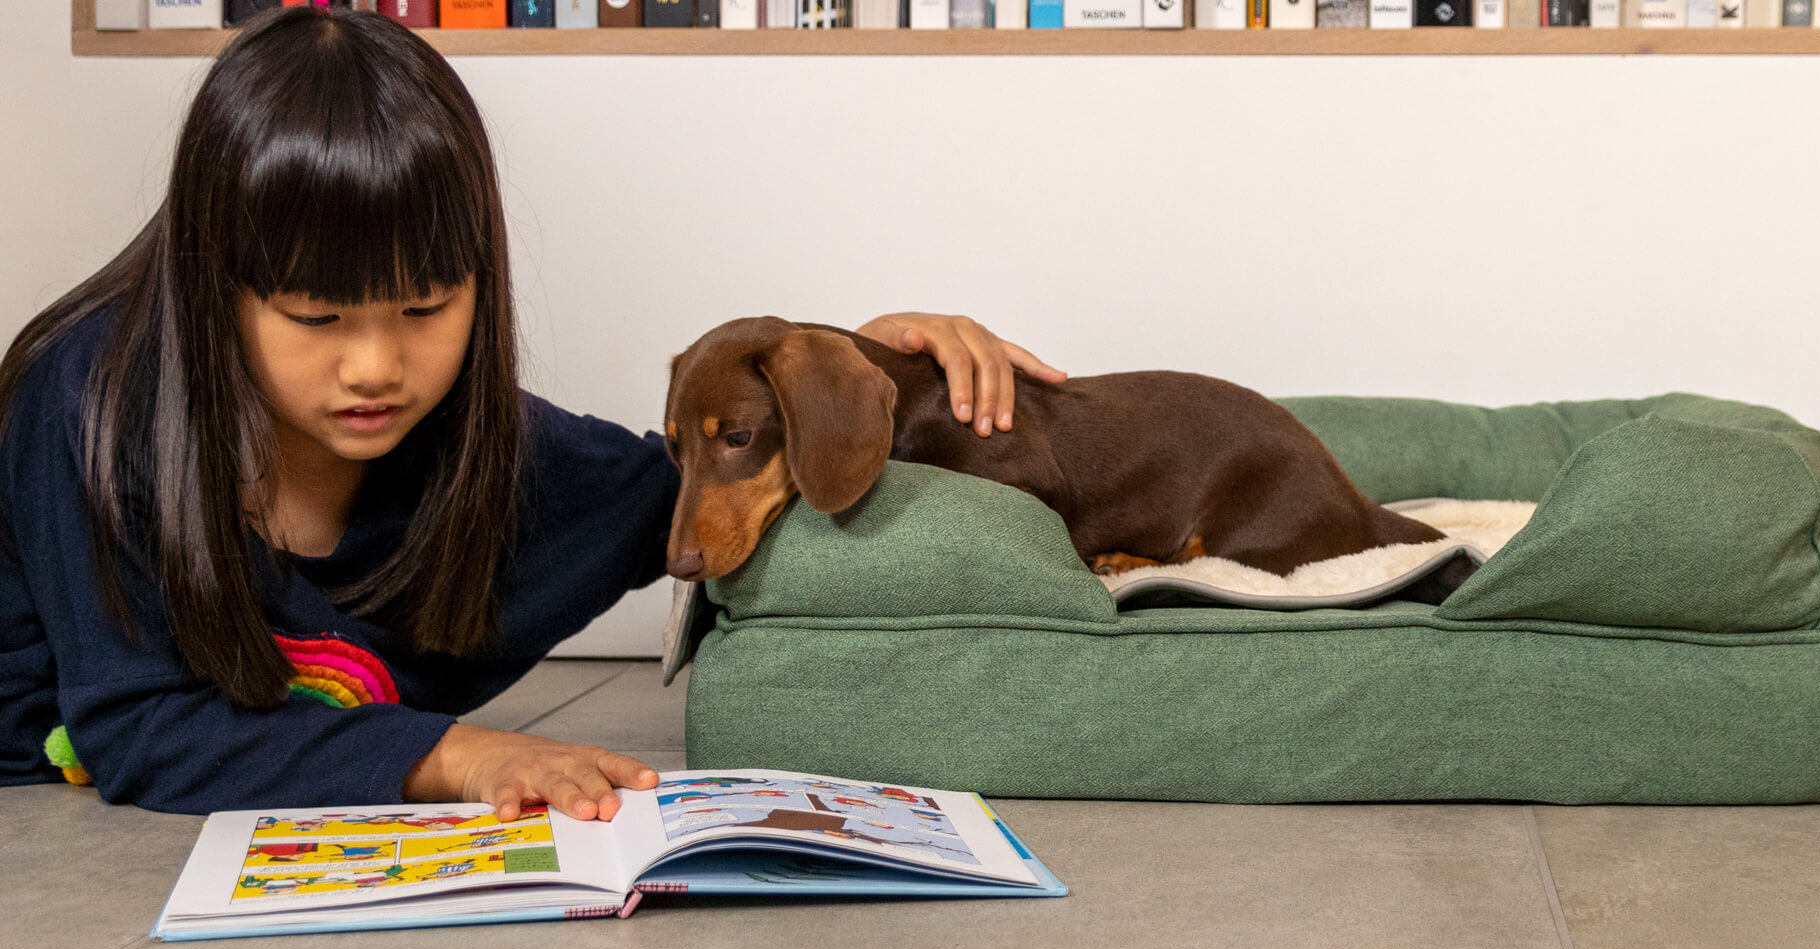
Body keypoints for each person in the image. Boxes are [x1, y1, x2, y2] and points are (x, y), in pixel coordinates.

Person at [0, 5, 1062, 821]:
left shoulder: (487, 447)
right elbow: (140, 729)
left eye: (427, 306)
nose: (377, 366)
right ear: (211, 287)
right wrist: (461, 753)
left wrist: (860, 372)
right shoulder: (90, 395)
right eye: (315, 315)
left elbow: (700, 484)